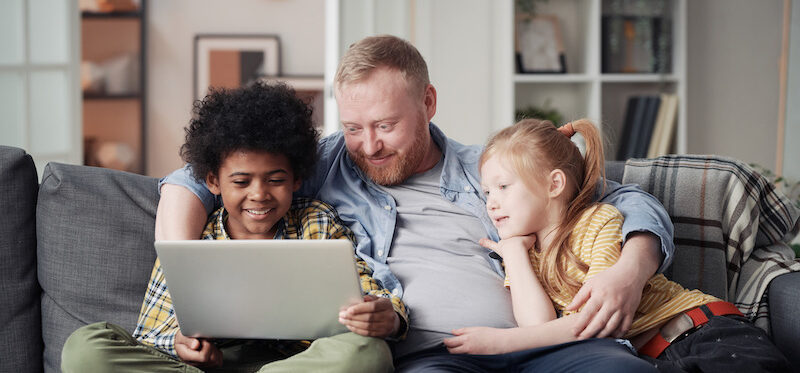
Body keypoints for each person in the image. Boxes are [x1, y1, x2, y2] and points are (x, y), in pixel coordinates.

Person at [157, 35, 676, 372]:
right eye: (354, 127)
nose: (369, 145)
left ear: (428, 102)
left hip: (548, 344)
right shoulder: (316, 167)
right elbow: (205, 174)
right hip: (431, 356)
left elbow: (625, 195)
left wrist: (629, 270)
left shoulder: (489, 168)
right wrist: (189, 292)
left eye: (386, 125)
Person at [61, 82, 403, 373]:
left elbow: (369, 294)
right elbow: (153, 333)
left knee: (368, 353)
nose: (259, 194)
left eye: (275, 180)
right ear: (213, 181)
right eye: (241, 181)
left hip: (296, 363)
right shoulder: (197, 239)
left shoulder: (316, 220)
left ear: (297, 178)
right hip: (208, 365)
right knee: (85, 348)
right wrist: (183, 344)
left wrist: (384, 312)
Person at [442, 118, 790, 371]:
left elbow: (591, 323)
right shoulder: (525, 257)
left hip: (703, 332)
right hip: (655, 355)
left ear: (554, 184)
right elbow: (538, 327)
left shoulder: (599, 222)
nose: (491, 203)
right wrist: (515, 253)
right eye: (487, 192)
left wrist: (500, 342)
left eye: (503, 187)